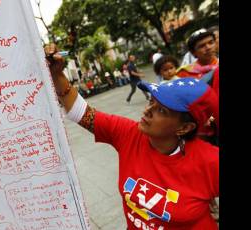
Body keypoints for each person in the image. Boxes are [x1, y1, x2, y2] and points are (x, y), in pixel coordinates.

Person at [45, 44, 219, 230]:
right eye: (151, 100)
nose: (147, 111)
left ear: (185, 127)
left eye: (161, 110)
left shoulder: (210, 161)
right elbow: (82, 113)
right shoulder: (130, 133)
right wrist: (56, 74)